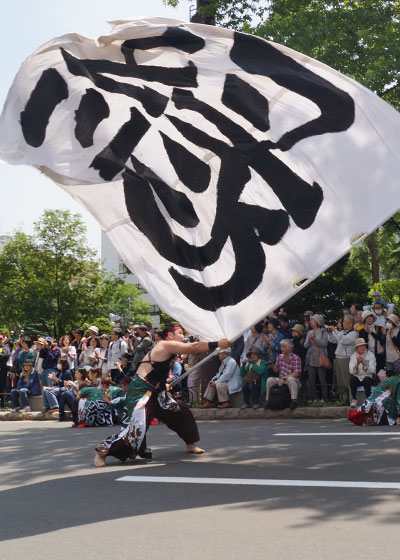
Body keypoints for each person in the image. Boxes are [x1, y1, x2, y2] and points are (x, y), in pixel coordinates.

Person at [94, 325, 231, 467]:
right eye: (179, 333)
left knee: (179, 411)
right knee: (136, 427)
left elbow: (159, 370)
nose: (183, 336)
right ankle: (102, 452)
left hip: (156, 391)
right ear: (170, 335)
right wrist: (217, 344)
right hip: (141, 391)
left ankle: (190, 443)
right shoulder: (166, 344)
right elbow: (195, 347)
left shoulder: (169, 348)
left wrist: (163, 383)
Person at [327, 315, 358, 404]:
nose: (343, 324)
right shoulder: (342, 332)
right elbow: (333, 340)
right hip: (338, 357)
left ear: (351, 324)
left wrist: (335, 331)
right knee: (339, 380)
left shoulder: (354, 333)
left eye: (345, 322)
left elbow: (345, 341)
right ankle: (342, 399)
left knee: (346, 379)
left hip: (346, 358)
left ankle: (350, 398)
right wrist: (330, 333)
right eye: (343, 322)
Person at [265, 339, 301, 410]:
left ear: (289, 348)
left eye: (283, 347)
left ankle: (294, 401)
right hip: (281, 379)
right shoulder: (280, 357)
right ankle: (268, 401)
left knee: (290, 379)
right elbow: (276, 370)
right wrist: (272, 366)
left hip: (292, 379)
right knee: (269, 380)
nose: (281, 349)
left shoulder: (296, 358)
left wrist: (284, 378)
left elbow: (296, 373)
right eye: (281, 347)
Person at [304, 314, 329, 403]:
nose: (311, 322)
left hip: (320, 357)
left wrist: (314, 339)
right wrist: (309, 340)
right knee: (311, 379)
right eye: (310, 320)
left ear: (318, 321)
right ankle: (314, 398)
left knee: (322, 379)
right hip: (311, 357)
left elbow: (324, 344)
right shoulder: (309, 332)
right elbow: (305, 345)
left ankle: (324, 398)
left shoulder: (323, 331)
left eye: (313, 320)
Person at [349, 338, 376, 408]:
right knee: (353, 379)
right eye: (360, 346)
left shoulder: (370, 355)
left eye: (364, 346)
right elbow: (351, 371)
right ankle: (354, 398)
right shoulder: (353, 356)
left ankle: (368, 399)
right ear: (356, 348)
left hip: (367, 376)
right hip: (358, 376)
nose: (363, 347)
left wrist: (364, 363)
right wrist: (357, 364)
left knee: (367, 379)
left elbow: (373, 370)